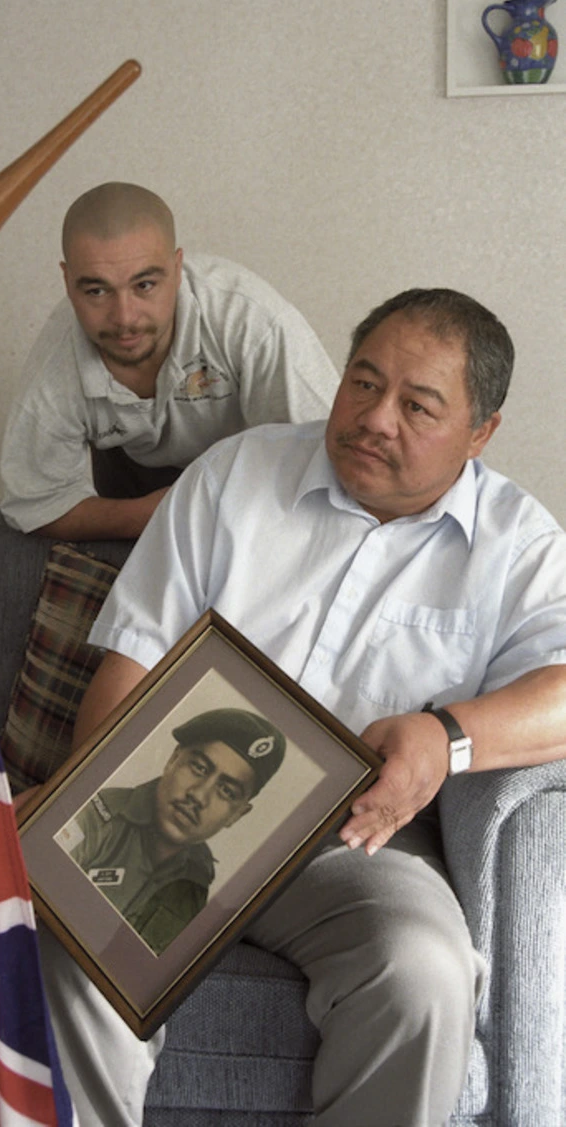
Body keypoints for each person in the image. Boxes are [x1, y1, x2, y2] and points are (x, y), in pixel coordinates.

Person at [36, 287, 566, 1127]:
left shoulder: (518, 545)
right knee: (74, 924)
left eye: (417, 405)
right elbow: (131, 660)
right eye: (364, 381)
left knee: (424, 966)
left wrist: (446, 737)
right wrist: (84, 804)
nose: (375, 417)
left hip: (353, 842)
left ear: (480, 433)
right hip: (170, 816)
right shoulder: (234, 475)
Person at [0, 182, 339, 540]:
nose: (125, 317)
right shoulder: (56, 365)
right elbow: (34, 506)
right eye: (97, 291)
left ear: (178, 268)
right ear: (68, 282)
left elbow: (326, 459)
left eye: (144, 285)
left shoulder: (251, 321)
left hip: (250, 482)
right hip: (134, 491)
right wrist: (168, 512)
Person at [56, 707, 286, 954]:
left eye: (227, 792)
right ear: (173, 759)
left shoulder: (198, 880)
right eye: (199, 767)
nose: (198, 795)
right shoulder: (97, 818)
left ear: (237, 814)